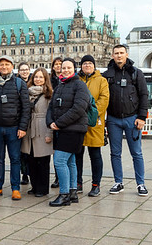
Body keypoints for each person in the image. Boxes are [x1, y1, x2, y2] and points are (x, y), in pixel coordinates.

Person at [103, 44, 150, 196]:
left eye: (121, 53)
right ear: (112, 55)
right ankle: (118, 182)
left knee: (136, 153)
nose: (119, 56)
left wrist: (142, 117)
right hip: (113, 119)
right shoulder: (107, 74)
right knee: (115, 153)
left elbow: (144, 95)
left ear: (126, 54)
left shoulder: (136, 73)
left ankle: (140, 184)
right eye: (116, 53)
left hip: (132, 118)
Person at [0, 55, 31, 200]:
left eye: (7, 64)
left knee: (15, 159)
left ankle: (15, 188)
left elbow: (25, 108)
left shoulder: (19, 83)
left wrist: (23, 127)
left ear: (12, 66)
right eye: (1, 65)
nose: (4, 67)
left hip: (14, 128)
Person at [47, 58, 90, 207]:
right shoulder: (60, 85)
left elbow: (79, 108)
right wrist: (50, 122)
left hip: (74, 129)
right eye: (63, 68)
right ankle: (72, 193)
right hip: (62, 129)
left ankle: (64, 194)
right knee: (70, 161)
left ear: (74, 68)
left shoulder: (80, 85)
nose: (65, 70)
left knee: (59, 161)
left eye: (68, 68)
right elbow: (51, 107)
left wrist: (58, 123)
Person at [77, 54, 109, 198]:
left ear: (94, 66)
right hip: (77, 122)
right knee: (77, 155)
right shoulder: (76, 80)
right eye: (85, 64)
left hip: (94, 123)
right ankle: (77, 182)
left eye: (90, 63)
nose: (87, 66)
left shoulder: (102, 80)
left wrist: (92, 113)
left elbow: (104, 99)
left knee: (95, 155)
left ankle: (96, 184)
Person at [21, 67, 52, 197]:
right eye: (36, 77)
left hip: (43, 128)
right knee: (31, 160)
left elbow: (52, 114)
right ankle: (34, 186)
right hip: (29, 129)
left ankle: (43, 188)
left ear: (45, 79)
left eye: (41, 77)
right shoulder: (27, 93)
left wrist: (49, 133)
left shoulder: (49, 94)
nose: (38, 79)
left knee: (43, 161)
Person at [17, 61, 32, 186]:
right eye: (22, 70)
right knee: (22, 150)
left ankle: (31, 172)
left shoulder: (34, 81)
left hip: (32, 120)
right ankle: (24, 174)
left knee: (31, 150)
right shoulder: (15, 83)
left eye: (26, 69)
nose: (24, 72)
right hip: (19, 120)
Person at [49, 55, 63, 189]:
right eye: (56, 64)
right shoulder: (50, 80)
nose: (58, 66)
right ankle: (57, 177)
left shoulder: (66, 80)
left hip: (64, 119)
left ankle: (62, 177)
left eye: (60, 64)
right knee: (54, 151)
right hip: (53, 117)